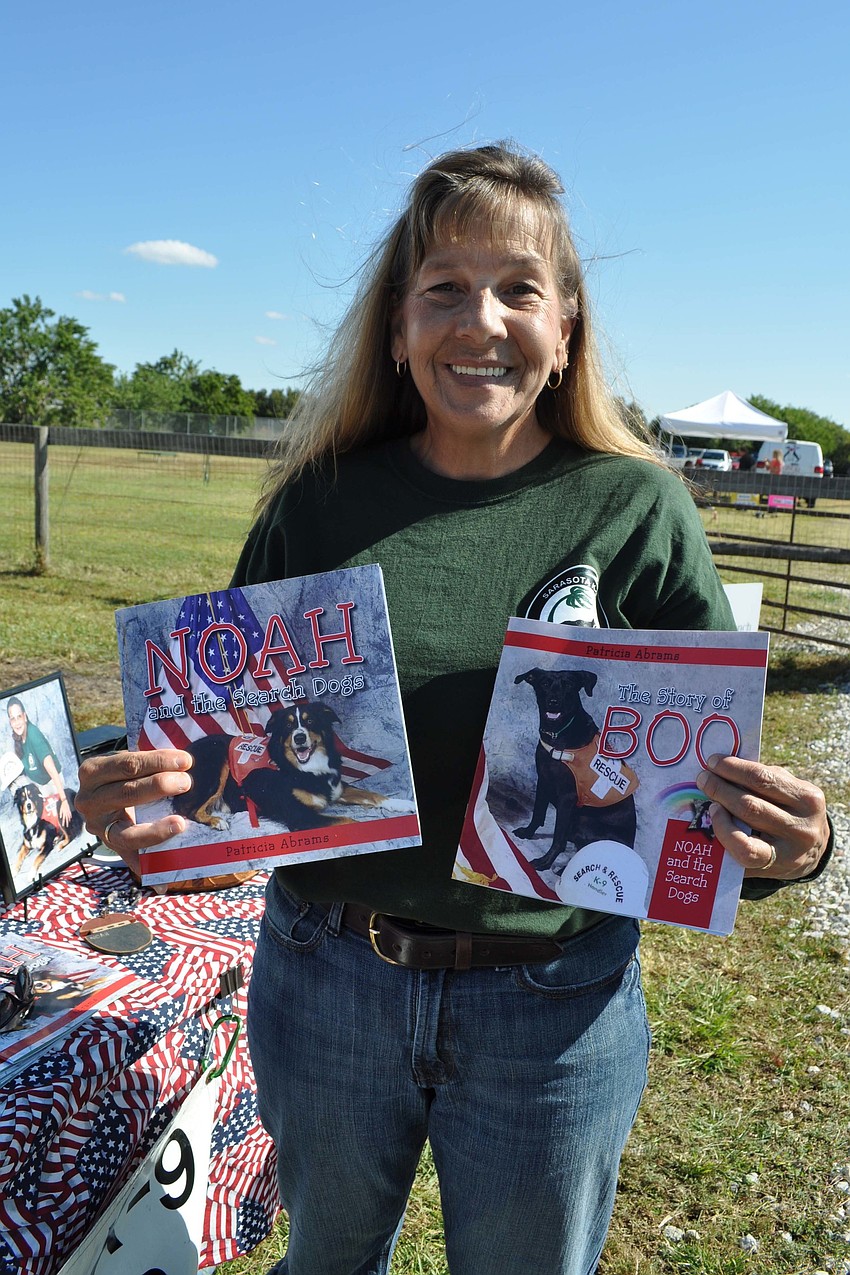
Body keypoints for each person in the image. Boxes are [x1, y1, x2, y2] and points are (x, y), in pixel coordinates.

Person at [75, 143, 832, 1275]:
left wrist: (790, 848)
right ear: (395, 327)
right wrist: (149, 806)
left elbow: (712, 793)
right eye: (444, 289)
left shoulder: (636, 509)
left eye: (519, 288)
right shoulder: (318, 504)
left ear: (565, 328)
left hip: (554, 1002)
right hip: (327, 979)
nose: (480, 319)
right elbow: (219, 761)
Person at [7, 697, 73, 829]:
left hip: (51, 784)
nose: (16, 722)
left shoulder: (33, 735)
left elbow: (52, 770)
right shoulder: (19, 739)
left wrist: (64, 800)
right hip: (38, 784)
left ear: (25, 717)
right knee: (11, 784)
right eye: (13, 718)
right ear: (10, 721)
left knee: (49, 825)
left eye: (19, 717)